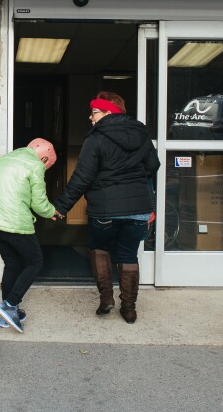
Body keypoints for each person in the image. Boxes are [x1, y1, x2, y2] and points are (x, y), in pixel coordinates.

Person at [53, 91, 160, 324]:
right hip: (138, 207)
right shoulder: (141, 133)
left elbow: (82, 177)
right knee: (129, 254)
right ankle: (129, 309)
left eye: (94, 112)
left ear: (108, 112)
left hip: (105, 208)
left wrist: (61, 207)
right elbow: (154, 165)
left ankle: (106, 299)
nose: (90, 118)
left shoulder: (96, 138)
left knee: (100, 247)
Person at [0, 138, 58, 332]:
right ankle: (9, 304)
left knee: (12, 264)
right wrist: (52, 212)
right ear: (45, 158)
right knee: (35, 262)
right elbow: (39, 204)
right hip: (15, 222)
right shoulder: (35, 165)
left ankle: (7, 315)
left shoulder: (2, 160)